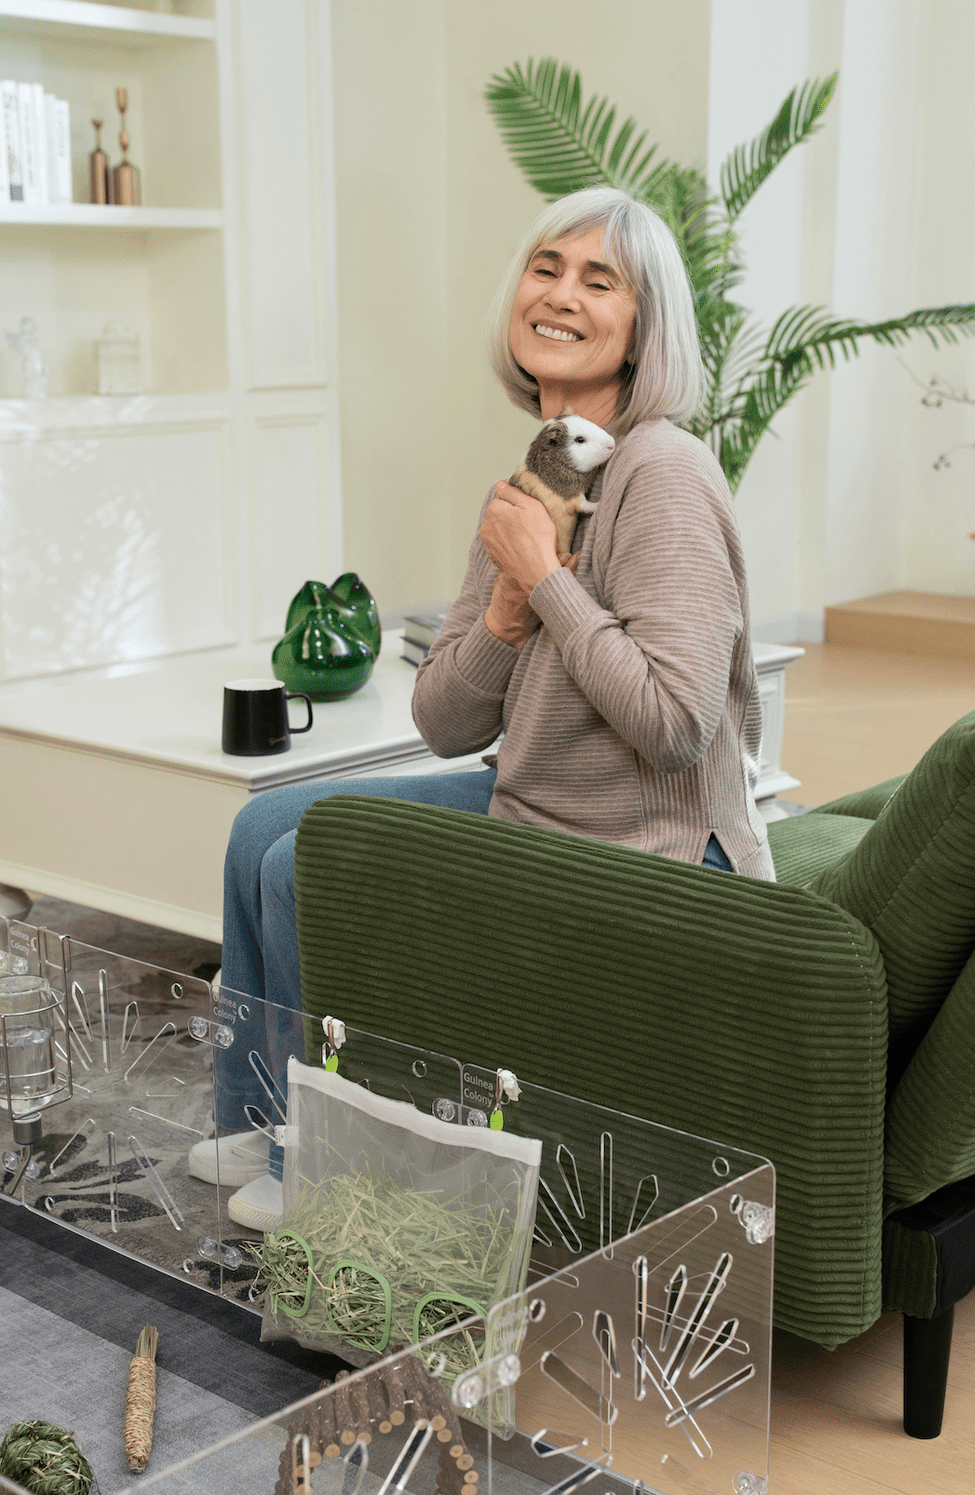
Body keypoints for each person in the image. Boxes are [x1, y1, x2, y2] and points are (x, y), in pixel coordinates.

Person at [192, 186, 775, 1232]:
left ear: (646, 327)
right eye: (546, 268)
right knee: (260, 826)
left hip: (655, 845)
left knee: (304, 864)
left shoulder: (665, 473)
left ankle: (323, 1159)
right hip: (540, 801)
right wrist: (510, 604)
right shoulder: (546, 468)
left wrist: (547, 579)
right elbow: (445, 721)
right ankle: (261, 1104)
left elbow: (679, 722)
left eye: (600, 281)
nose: (559, 294)